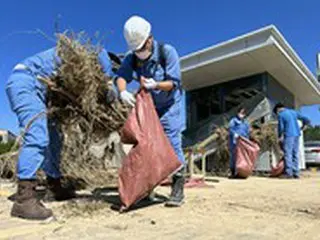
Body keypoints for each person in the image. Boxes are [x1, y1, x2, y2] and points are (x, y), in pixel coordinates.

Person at [6, 47, 114, 220]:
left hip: (43, 94)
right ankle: (24, 200)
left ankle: (55, 186)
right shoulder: (78, 55)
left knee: (55, 138)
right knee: (37, 135)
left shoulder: (69, 72)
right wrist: (109, 83)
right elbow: (101, 51)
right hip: (27, 83)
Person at [116, 15, 186, 207]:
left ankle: (178, 188)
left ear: (150, 39)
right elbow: (121, 76)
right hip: (150, 109)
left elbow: (174, 83)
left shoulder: (167, 52)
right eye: (135, 49)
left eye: (141, 48)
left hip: (170, 106)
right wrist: (122, 91)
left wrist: (156, 84)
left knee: (172, 144)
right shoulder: (132, 59)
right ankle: (147, 189)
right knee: (146, 145)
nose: (139, 52)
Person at [273, 103, 310, 179]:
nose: (277, 114)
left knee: (288, 154)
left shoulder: (281, 115)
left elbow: (281, 128)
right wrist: (304, 125)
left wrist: (279, 137)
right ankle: (296, 173)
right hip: (297, 134)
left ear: (278, 109)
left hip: (288, 135)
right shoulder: (293, 112)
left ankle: (288, 173)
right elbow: (306, 119)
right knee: (295, 153)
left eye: (276, 113)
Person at [228, 107, 250, 178]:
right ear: (237, 113)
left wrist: (247, 141)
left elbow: (247, 132)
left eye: (243, 113)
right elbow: (230, 129)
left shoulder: (246, 123)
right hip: (235, 142)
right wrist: (234, 134)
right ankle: (233, 172)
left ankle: (241, 172)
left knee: (242, 157)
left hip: (243, 143)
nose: (241, 115)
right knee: (234, 157)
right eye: (240, 113)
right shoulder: (233, 121)